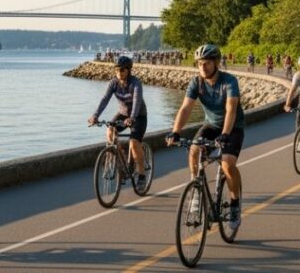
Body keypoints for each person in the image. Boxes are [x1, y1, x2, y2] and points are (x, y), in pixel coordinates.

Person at [166, 44, 244, 227]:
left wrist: (225, 134)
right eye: (199, 64)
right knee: (194, 150)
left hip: (233, 127)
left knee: (227, 163)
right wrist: (175, 131)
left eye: (207, 63)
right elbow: (186, 108)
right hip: (211, 125)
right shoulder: (196, 83)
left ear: (216, 63)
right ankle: (196, 190)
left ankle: (234, 204)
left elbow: (231, 110)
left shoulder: (229, 81)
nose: (203, 67)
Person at [88, 55, 148, 188]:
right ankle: (122, 165)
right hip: (123, 114)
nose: (119, 73)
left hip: (139, 116)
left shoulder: (135, 83)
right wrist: (95, 116)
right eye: (116, 70)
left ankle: (142, 175)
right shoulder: (113, 83)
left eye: (122, 70)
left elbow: (137, 101)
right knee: (110, 130)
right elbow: (105, 99)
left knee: (134, 143)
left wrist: (132, 117)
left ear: (128, 70)